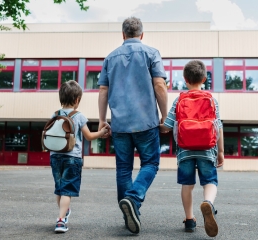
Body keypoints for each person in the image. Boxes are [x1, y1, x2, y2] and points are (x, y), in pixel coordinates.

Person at [97, 17, 168, 234]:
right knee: (150, 164)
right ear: (142, 35)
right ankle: (134, 199)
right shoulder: (151, 53)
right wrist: (165, 117)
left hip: (119, 124)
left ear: (123, 35)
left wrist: (102, 120)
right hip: (146, 122)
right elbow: (159, 85)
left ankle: (129, 212)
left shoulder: (110, 57)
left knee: (123, 169)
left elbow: (102, 91)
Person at [159, 60, 224, 237]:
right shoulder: (211, 99)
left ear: (185, 79)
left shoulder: (180, 99)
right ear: (204, 79)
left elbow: (167, 126)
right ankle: (208, 203)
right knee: (210, 181)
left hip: (185, 150)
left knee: (187, 185)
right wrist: (221, 152)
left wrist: (160, 123)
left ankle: (189, 220)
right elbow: (218, 127)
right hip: (207, 148)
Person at [50, 80, 110, 233]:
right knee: (67, 190)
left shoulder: (55, 114)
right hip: (72, 158)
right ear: (77, 100)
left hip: (55, 156)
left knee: (59, 188)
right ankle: (61, 220)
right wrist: (102, 133)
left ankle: (62, 212)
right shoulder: (79, 116)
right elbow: (89, 136)